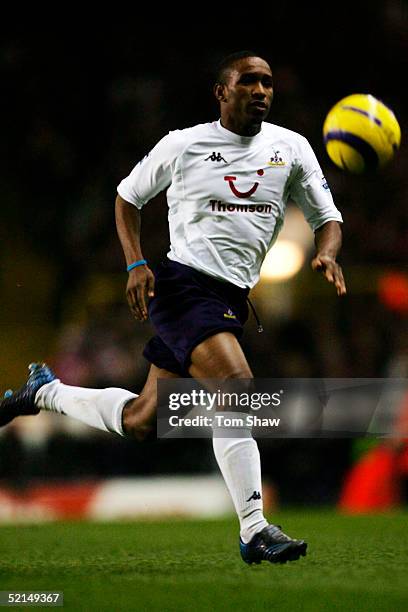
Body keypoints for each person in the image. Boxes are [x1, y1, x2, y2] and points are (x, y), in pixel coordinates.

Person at [1, 50, 346, 565]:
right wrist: (135, 264)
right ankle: (254, 528)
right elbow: (126, 198)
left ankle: (45, 392)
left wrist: (326, 251)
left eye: (268, 82)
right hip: (184, 288)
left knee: (143, 419)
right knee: (237, 389)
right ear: (221, 91)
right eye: (248, 81)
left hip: (229, 299)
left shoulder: (290, 148)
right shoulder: (183, 144)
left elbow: (328, 215)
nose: (261, 91)